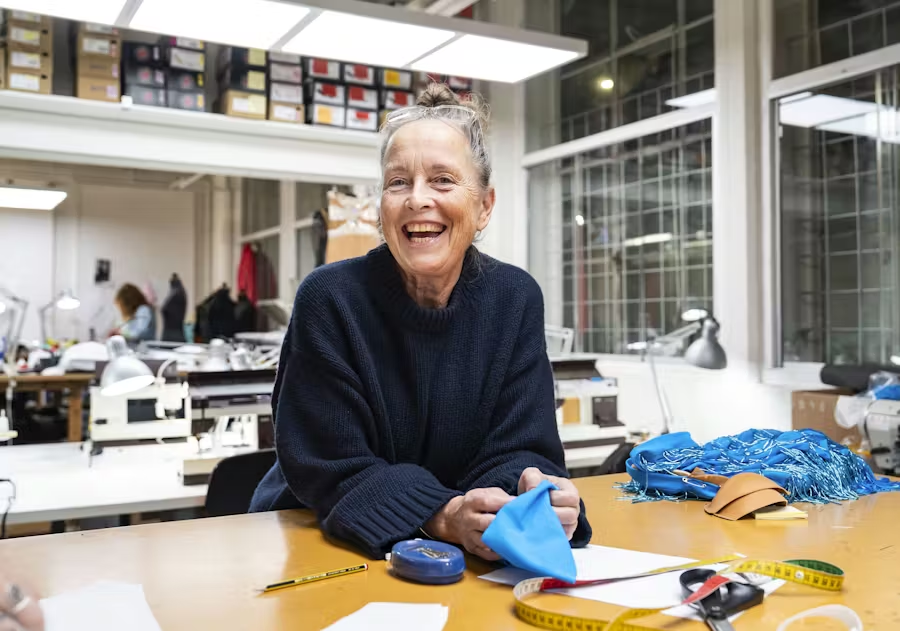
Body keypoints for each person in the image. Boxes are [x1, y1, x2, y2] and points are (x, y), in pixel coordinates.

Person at [250, 84, 591, 560]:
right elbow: (333, 466)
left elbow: (522, 447)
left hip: (458, 553)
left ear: (484, 206)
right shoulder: (330, 299)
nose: (417, 199)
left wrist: (527, 497)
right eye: (398, 182)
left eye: (443, 180)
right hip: (321, 537)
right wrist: (442, 514)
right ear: (381, 206)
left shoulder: (514, 299)